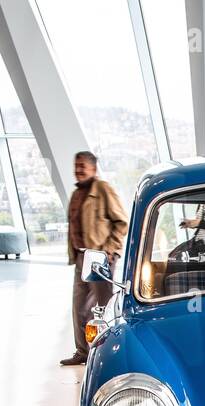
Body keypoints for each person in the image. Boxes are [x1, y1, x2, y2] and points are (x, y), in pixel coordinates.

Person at [60, 150, 129, 367]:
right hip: (82, 256)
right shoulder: (77, 194)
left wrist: (109, 251)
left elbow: (121, 222)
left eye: (83, 166)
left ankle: (110, 350)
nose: (78, 170)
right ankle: (82, 351)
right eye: (76, 165)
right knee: (79, 306)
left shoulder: (103, 189)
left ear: (93, 168)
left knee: (104, 305)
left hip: (100, 257)